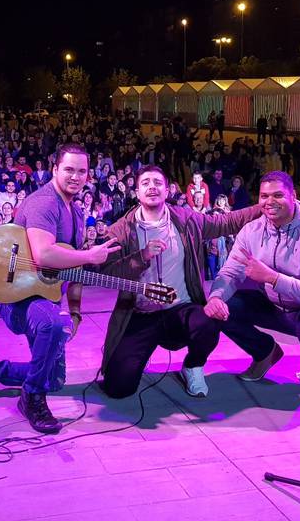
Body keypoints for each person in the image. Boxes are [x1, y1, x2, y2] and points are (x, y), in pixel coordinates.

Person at [0, 143, 120, 434]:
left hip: (44, 296)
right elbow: (44, 255)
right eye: (69, 169)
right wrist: (89, 255)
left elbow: (73, 271)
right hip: (16, 296)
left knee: (55, 379)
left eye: (82, 171)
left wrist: (74, 311)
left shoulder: (75, 211)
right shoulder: (44, 202)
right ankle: (32, 397)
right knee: (50, 326)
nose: (75, 176)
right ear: (55, 169)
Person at [95, 165, 261, 398]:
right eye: (145, 183)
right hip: (141, 314)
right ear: (137, 192)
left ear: (167, 190)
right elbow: (107, 274)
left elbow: (225, 223)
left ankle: (193, 366)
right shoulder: (120, 230)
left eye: (157, 182)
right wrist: (141, 257)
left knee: (208, 320)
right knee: (118, 387)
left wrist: (261, 207)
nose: (152, 187)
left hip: (180, 309)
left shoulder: (185, 219)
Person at [205, 171, 300, 394]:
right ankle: (265, 352)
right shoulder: (251, 231)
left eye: (278, 195)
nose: (269, 202)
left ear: (293, 196)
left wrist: (272, 278)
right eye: (264, 196)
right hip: (273, 305)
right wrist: (215, 297)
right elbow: (230, 273)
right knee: (221, 309)